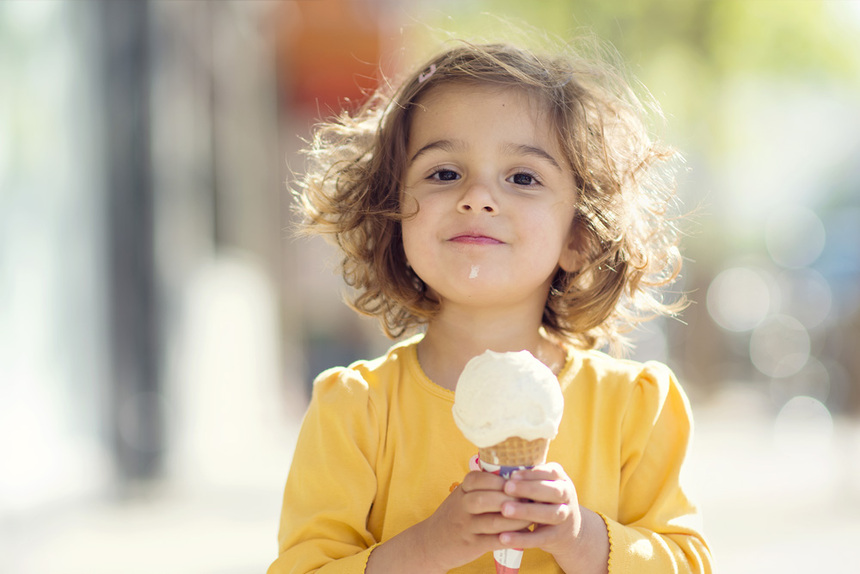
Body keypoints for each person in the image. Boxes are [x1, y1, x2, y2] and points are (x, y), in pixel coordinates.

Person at [269, 39, 712, 573]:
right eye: (444, 173)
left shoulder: (633, 409)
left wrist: (582, 537)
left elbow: (688, 562)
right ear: (395, 217)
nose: (477, 196)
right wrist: (428, 546)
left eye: (523, 178)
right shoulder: (356, 411)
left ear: (579, 236)